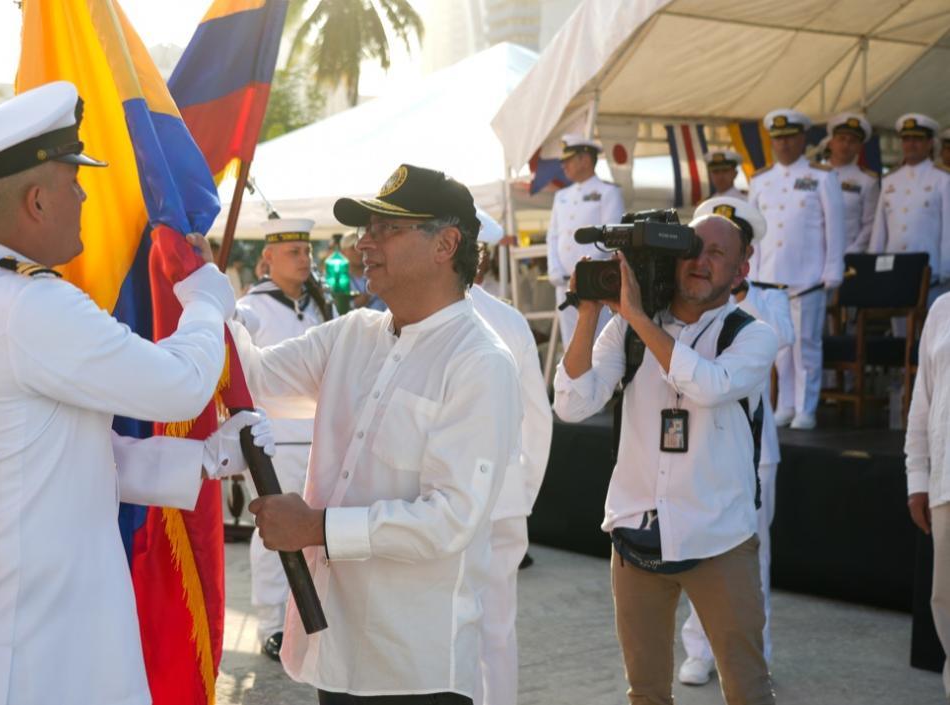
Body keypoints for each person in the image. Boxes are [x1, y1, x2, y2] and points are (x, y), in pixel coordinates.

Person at [0, 80, 273, 705]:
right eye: (75, 182)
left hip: (14, 648)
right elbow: (178, 385)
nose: (84, 196)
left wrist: (201, 459)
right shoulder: (25, 305)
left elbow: (55, 457)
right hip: (23, 662)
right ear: (38, 201)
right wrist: (205, 303)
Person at [240, 164, 521, 705]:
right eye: (366, 228)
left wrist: (316, 527)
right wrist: (199, 295)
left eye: (385, 229)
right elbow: (252, 376)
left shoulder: (479, 361)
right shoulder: (355, 333)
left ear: (446, 244)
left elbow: (449, 518)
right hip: (338, 650)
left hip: (413, 665)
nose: (363, 243)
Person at [553, 202, 779, 705]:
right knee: (647, 692)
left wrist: (635, 315)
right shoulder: (629, 328)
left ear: (743, 269)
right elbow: (571, 404)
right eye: (693, 250)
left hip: (718, 536)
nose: (701, 262)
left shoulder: (753, 334)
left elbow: (709, 385)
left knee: (748, 690)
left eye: (718, 254)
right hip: (636, 533)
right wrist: (590, 310)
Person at [677, 197, 794, 687]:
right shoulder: (685, 301)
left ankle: (754, 654)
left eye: (723, 247)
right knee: (695, 549)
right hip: (696, 446)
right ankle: (699, 648)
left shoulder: (766, 300)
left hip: (753, 452)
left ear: (743, 253)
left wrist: (734, 292)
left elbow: (776, 339)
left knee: (750, 555)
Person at [234, 217, 330, 661]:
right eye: (293, 252)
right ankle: (271, 622)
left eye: (307, 251)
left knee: (318, 535)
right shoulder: (250, 310)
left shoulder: (320, 307)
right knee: (272, 533)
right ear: (267, 258)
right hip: (275, 444)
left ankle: (307, 618)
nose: (304, 259)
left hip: (320, 441)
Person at [471, 208, 553, 705]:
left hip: (464, 504)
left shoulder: (408, 313)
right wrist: (521, 495)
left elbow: (535, 420)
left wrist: (518, 496)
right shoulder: (510, 320)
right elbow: (538, 423)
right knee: (494, 633)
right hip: (500, 499)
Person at [748, 108, 845, 431]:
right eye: (778, 139)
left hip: (808, 278)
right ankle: (785, 404)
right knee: (778, 347)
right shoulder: (761, 179)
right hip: (769, 278)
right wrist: (752, 273)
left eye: (789, 138)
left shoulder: (822, 176)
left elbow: (835, 228)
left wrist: (833, 270)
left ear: (803, 138)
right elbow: (754, 233)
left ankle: (807, 407)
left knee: (805, 345)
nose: (784, 144)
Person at [906, 292, 950, 701]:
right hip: (946, 485)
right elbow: (924, 398)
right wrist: (917, 475)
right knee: (947, 601)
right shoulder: (942, 309)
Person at [546, 134, 625, 349]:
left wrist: (585, 271)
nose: (564, 165)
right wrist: (554, 269)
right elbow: (553, 236)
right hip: (564, 284)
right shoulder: (561, 196)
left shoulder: (608, 192)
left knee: (599, 346)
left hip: (595, 283)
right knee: (570, 345)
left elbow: (611, 238)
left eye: (569, 159)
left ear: (586, 159)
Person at [869, 113, 950, 303]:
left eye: (917, 139)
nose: (911, 144)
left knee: (928, 329)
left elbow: (948, 229)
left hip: (931, 271)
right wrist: (873, 263)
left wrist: (946, 268)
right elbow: (880, 229)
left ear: (930, 143)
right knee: (900, 329)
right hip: (893, 267)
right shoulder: (890, 179)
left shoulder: (943, 179)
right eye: (906, 139)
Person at [821, 113, 880, 254]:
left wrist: (852, 252)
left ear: (859, 148)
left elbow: (870, 224)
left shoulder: (867, 181)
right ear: (831, 143)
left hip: (846, 256)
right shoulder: (813, 175)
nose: (846, 145)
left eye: (852, 141)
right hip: (812, 256)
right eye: (841, 139)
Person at [342, 230, 385, 311]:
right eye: (353, 248)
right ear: (343, 252)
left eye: (363, 248)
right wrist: (354, 304)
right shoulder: (339, 279)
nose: (359, 252)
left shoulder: (379, 273)